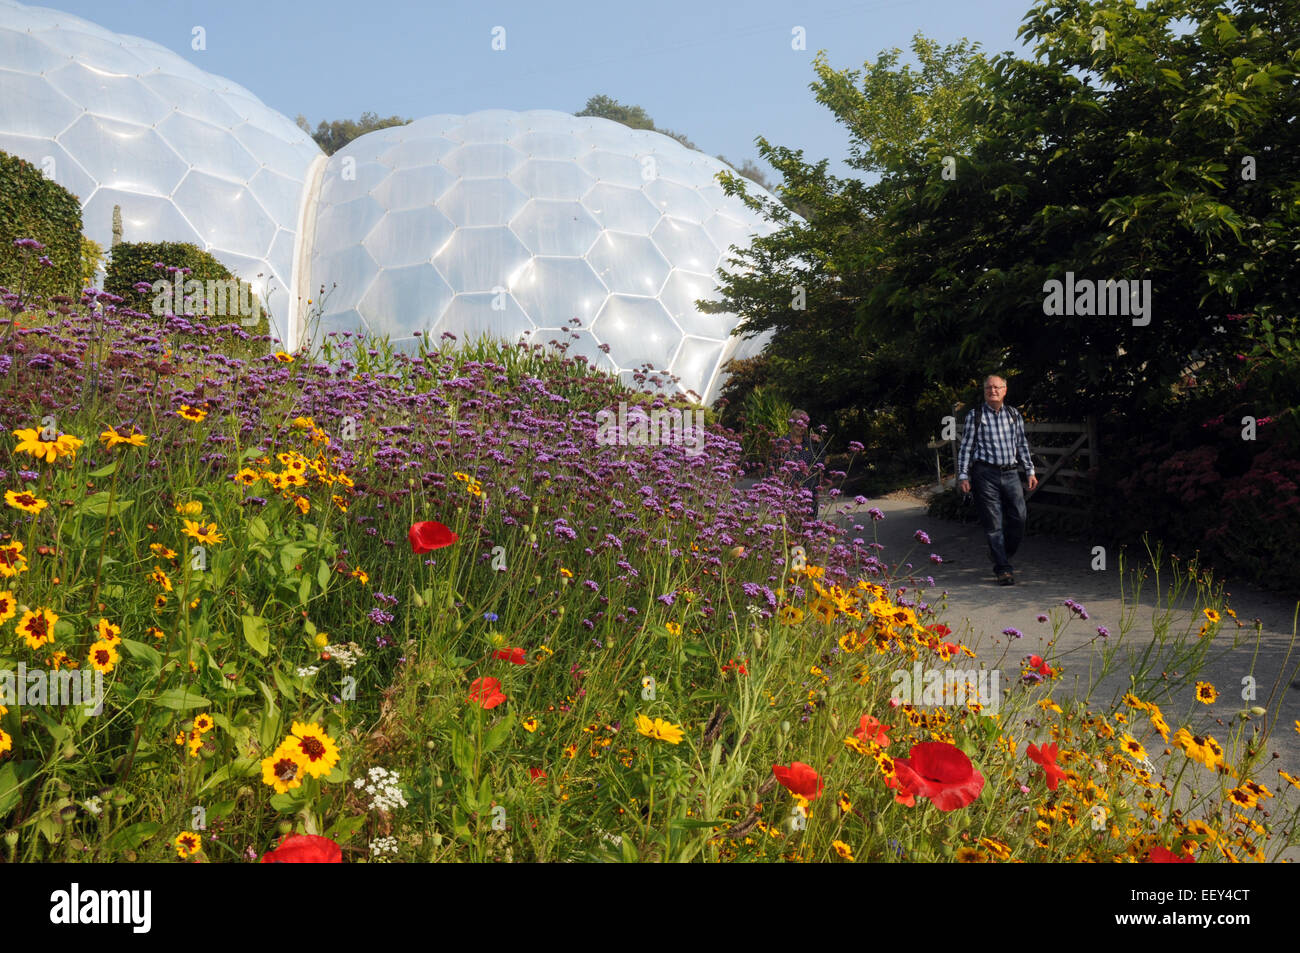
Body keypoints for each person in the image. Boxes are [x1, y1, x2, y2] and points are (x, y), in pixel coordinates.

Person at [956, 375, 1038, 585]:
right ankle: (1003, 569)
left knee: (1019, 517)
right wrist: (963, 475)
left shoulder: (1013, 414)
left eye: (996, 387)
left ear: (1004, 390)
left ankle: (1000, 553)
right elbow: (966, 447)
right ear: (984, 391)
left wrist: (1030, 470)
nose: (992, 391)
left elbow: (1021, 444)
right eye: (988, 388)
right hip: (985, 473)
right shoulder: (976, 415)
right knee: (993, 523)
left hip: (1011, 473)